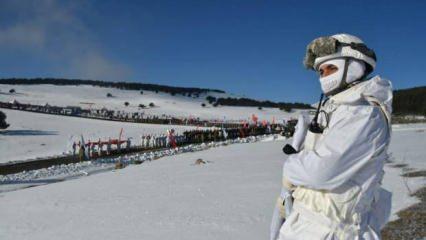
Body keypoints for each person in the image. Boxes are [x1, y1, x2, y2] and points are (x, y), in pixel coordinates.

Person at [271, 33, 392, 240]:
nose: (325, 75)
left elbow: (321, 171)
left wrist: (291, 168)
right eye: (321, 71)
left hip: (334, 231)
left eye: (332, 68)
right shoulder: (338, 108)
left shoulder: (362, 114)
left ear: (354, 65)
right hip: (308, 225)